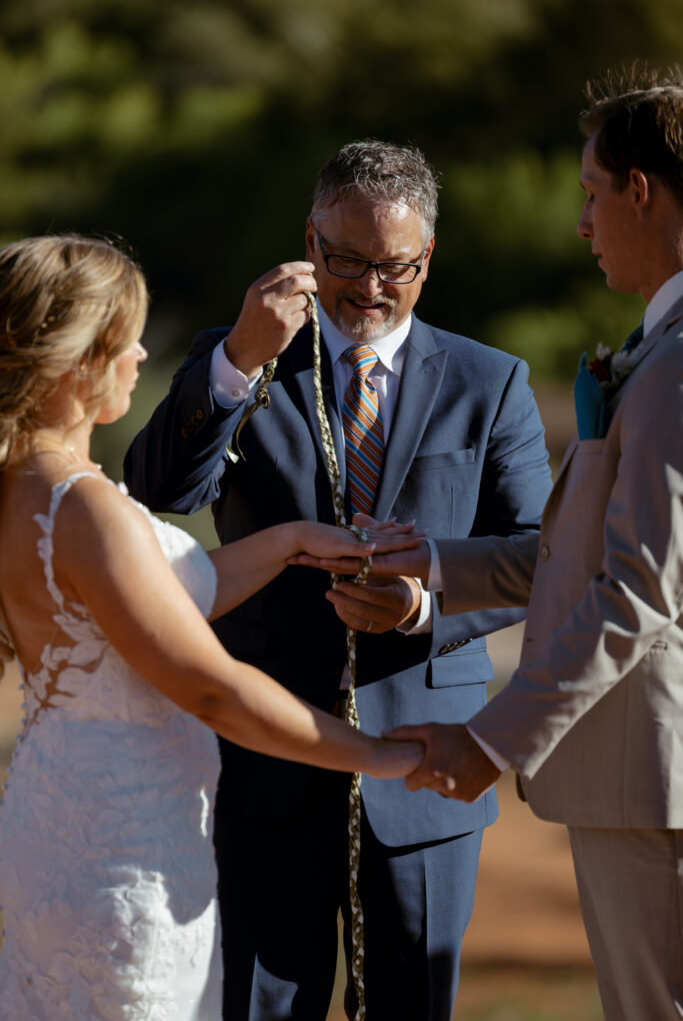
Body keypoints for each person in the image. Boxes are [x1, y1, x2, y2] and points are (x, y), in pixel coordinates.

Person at [124, 140, 552, 1021]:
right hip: (264, 761)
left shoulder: (490, 380)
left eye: (391, 266)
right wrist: (240, 359)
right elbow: (158, 494)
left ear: (426, 260)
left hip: (423, 767)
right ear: (307, 244)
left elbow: (539, 557)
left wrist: (424, 607)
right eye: (345, 260)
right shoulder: (243, 358)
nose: (366, 288)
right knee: (255, 1004)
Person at [0, 233, 424, 1021]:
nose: (138, 355)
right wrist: (380, 756)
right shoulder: (84, 505)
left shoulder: (19, 487)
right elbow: (211, 687)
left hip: (57, 813)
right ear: (78, 359)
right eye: (127, 338)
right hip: (126, 839)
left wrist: (290, 542)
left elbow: (140, 607)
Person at [336, 68, 683, 1021]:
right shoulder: (659, 347)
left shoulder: (679, 362)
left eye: (589, 192)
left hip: (658, 788)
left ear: (639, 190)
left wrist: (490, 740)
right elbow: (582, 556)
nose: (581, 222)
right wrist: (433, 564)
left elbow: (636, 596)